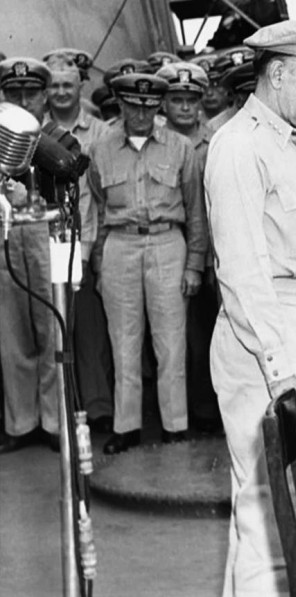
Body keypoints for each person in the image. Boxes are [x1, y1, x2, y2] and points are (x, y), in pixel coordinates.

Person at [205, 20, 296, 596]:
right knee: (267, 507)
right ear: (279, 73)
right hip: (262, 339)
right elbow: (243, 272)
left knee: (283, 502)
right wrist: (279, 367)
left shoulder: (290, 140)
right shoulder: (239, 146)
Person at [88, 73, 206, 454]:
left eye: (149, 106)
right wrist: (100, 262)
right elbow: (98, 209)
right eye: (133, 106)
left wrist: (194, 264)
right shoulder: (101, 149)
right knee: (123, 341)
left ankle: (175, 426)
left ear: (158, 106)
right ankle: (127, 426)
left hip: (167, 241)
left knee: (170, 341)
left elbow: (196, 210)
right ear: (120, 105)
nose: (141, 114)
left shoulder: (180, 147)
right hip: (120, 243)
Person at [0, 57, 80, 453]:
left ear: (44, 96)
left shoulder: (58, 140)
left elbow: (75, 192)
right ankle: (20, 423)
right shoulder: (3, 137)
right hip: (6, 233)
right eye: (13, 92)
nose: (23, 100)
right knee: (11, 333)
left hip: (47, 234)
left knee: (51, 329)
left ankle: (53, 420)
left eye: (30, 92)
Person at [41, 53, 116, 433]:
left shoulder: (100, 132)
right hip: (46, 244)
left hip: (85, 243)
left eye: (67, 85)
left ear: (80, 87)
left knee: (90, 334)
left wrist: (92, 250)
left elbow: (101, 196)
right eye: (54, 85)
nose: (60, 92)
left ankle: (98, 410)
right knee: (55, 332)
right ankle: (63, 413)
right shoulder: (37, 130)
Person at [158, 61, 224, 436]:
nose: (185, 107)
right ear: (164, 103)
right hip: (174, 248)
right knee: (175, 339)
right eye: (176, 99)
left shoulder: (218, 139)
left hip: (216, 250)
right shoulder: (157, 141)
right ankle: (180, 413)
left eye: (192, 100)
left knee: (210, 336)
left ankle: (208, 409)